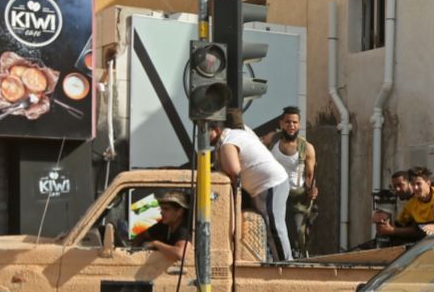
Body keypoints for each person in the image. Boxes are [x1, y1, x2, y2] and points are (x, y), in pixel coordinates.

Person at [210, 109, 294, 261]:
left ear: (216, 130)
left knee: (274, 226)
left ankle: (286, 265)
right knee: (267, 228)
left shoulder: (227, 141)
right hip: (263, 186)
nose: (201, 138)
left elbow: (235, 171)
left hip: (271, 184)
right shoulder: (239, 133)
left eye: (205, 132)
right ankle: (276, 261)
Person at [262, 106, 317, 258]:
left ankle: (296, 260)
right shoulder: (272, 139)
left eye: (294, 122)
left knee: (298, 233)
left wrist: (312, 190)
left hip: (295, 196)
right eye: (288, 122)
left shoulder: (306, 148)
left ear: (299, 125)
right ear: (281, 123)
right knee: (272, 229)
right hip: (273, 192)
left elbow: (310, 175)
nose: (291, 125)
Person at [376, 166, 434, 244]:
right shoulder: (411, 204)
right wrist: (383, 223)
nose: (415, 188)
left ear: (428, 183)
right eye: (412, 184)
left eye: (418, 184)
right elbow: (399, 225)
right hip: (425, 246)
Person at [130, 192, 192, 261]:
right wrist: (133, 250)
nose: (161, 212)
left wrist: (156, 244)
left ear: (180, 212)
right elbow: (141, 236)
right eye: (161, 209)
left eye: (166, 209)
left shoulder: (184, 229)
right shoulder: (164, 225)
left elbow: (180, 254)